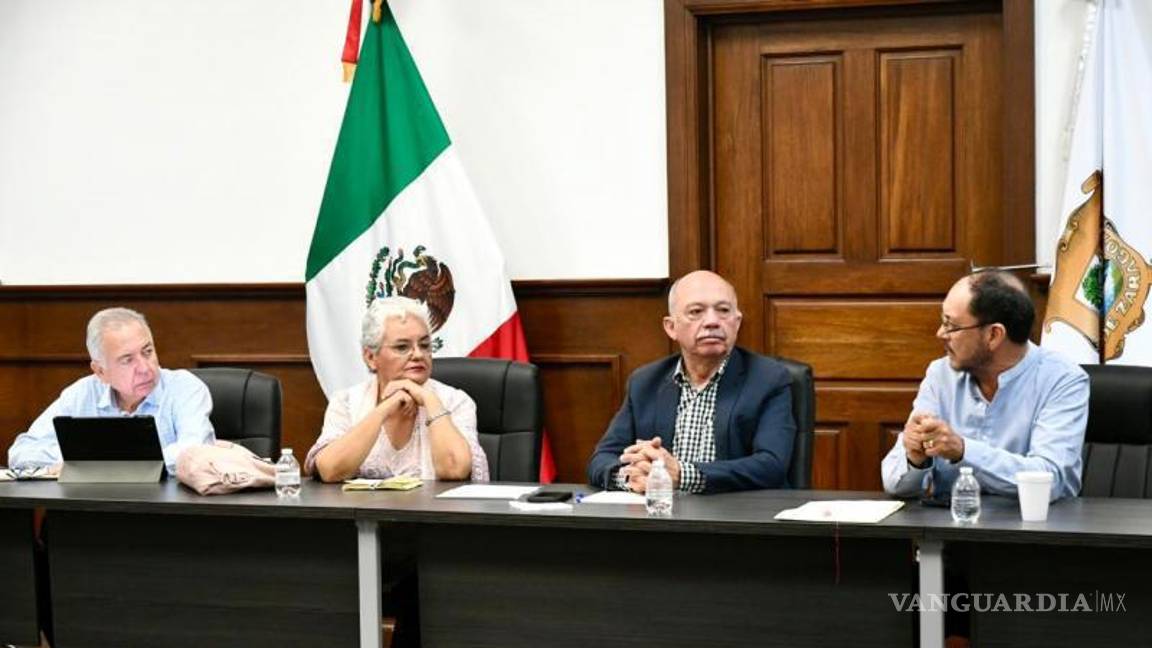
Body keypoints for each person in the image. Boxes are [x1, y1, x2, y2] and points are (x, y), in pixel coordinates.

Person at [882, 270, 1089, 501]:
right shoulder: (940, 375)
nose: (940, 334)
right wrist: (914, 459)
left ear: (993, 335)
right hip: (950, 530)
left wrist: (963, 450)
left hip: (1033, 531)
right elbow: (894, 484)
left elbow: (1049, 480)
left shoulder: (1062, 379)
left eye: (951, 326)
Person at [587, 270, 796, 494]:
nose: (712, 322)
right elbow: (601, 459)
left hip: (735, 519)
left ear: (737, 323)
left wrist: (683, 475)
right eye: (696, 312)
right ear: (671, 327)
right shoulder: (645, 382)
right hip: (662, 518)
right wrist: (632, 478)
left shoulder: (769, 379)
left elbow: (771, 465)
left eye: (723, 311)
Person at [7, 307, 215, 474]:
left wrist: (97, 462)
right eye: (127, 360)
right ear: (100, 371)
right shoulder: (81, 394)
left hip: (170, 513)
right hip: (97, 513)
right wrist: (81, 458)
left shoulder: (185, 388)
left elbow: (193, 451)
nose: (145, 368)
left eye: (148, 351)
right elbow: (22, 452)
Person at [306, 296, 488, 482]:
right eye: (402, 347)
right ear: (370, 357)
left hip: (433, 510)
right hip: (365, 510)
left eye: (425, 345)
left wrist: (429, 400)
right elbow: (331, 470)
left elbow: (454, 470)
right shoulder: (346, 402)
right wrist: (384, 408)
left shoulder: (456, 401)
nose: (418, 354)